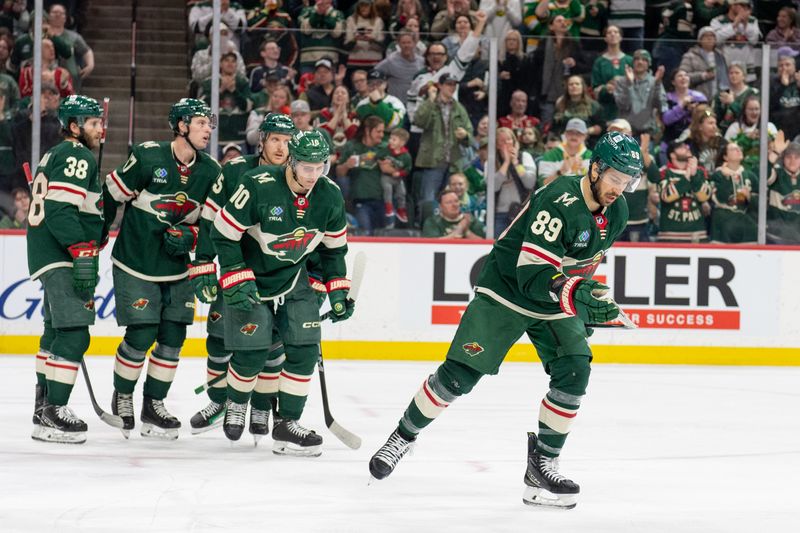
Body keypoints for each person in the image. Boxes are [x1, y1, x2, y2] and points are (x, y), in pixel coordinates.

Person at [369, 132, 644, 511]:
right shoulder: (558, 200)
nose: (620, 187)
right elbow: (531, 276)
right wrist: (574, 295)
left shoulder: (619, 210)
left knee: (576, 368)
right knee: (458, 376)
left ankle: (542, 465)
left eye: (628, 180)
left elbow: (585, 260)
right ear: (595, 167)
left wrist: (583, 304)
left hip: (553, 297)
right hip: (508, 289)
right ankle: (403, 436)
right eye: (615, 177)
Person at [210, 130, 353, 454]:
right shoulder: (258, 183)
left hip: (294, 278)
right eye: (307, 168)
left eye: (320, 167)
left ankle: (286, 424)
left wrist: (338, 292)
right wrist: (235, 274)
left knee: (304, 348)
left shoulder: (329, 196)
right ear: (292, 162)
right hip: (253, 277)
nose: (313, 176)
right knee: (252, 351)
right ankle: (236, 401)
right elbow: (223, 232)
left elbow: (333, 252)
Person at [103, 98, 221, 440]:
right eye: (200, 123)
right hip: (135, 261)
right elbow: (111, 193)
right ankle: (123, 395)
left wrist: (191, 235)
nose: (207, 129)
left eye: (209, 124)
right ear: (181, 126)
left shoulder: (211, 171)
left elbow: (212, 224)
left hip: (178, 268)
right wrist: (98, 231)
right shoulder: (147, 155)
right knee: (141, 334)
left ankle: (153, 404)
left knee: (173, 337)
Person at [190, 113, 298, 438]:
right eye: (276, 139)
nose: (282, 148)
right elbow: (210, 219)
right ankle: (219, 400)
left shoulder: (299, 176)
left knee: (272, 344)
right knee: (219, 340)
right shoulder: (236, 170)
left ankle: (263, 406)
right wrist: (204, 262)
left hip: (278, 276)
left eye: (288, 141)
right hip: (236, 272)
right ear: (262, 140)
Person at [27, 95, 103, 444]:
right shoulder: (76, 154)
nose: (100, 128)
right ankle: (55, 410)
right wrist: (82, 250)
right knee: (74, 333)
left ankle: (43, 409)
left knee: (54, 333)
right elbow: (60, 210)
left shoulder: (55, 154)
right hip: (61, 256)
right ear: (74, 126)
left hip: (46, 254)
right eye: (92, 122)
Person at [656, 140, 711, 242]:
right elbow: (666, 196)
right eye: (680, 147)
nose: (686, 148)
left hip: (697, 235)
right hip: (670, 236)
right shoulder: (664, 172)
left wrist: (694, 175)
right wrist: (686, 178)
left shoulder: (700, 172)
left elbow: (704, 196)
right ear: (672, 155)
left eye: (686, 146)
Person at [709, 141, 757, 243]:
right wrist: (726, 178)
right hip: (722, 225)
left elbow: (761, 204)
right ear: (725, 157)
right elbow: (719, 199)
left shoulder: (750, 175)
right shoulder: (717, 175)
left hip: (745, 226)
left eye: (739, 148)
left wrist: (749, 197)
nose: (738, 150)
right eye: (733, 149)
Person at [678, 26, 729, 101]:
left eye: (712, 36)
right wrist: (702, 76)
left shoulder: (721, 56)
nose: (709, 38)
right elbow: (682, 77)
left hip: (719, 99)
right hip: (698, 99)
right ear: (700, 40)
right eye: (706, 36)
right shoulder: (690, 56)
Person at [537, 118, 591, 187]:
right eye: (571, 132)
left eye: (578, 133)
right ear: (565, 134)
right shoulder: (550, 155)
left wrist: (584, 171)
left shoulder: (591, 156)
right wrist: (560, 172)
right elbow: (542, 184)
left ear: (585, 136)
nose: (574, 136)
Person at [766, 141, 800, 243]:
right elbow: (763, 173)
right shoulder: (776, 174)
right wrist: (775, 153)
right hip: (777, 235)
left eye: (797, 157)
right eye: (789, 157)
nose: (792, 161)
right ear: (783, 159)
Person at [377, 127, 412, 223]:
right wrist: (382, 161)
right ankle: (389, 208)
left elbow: (408, 169)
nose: (390, 141)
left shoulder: (406, 156)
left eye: (394, 140)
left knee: (402, 192)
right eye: (390, 139)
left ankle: (401, 210)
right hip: (386, 177)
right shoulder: (386, 150)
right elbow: (378, 157)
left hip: (398, 178)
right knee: (387, 188)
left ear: (402, 143)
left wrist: (399, 173)